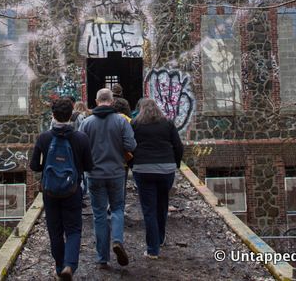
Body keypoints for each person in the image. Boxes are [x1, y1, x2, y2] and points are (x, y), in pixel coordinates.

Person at [30, 99, 94, 281]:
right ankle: (70, 265)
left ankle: (59, 267)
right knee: (73, 229)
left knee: (55, 230)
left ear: (53, 115)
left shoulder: (44, 138)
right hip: (73, 190)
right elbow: (89, 165)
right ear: (71, 114)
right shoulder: (81, 138)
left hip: (50, 191)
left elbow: (34, 166)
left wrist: (49, 169)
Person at [79, 88, 136, 268]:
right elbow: (131, 145)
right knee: (117, 208)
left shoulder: (86, 123)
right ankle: (117, 240)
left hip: (94, 175)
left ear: (96, 102)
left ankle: (102, 258)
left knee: (99, 214)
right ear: (112, 102)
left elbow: (80, 148)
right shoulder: (121, 121)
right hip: (117, 172)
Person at [131, 98, 183, 259]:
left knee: (149, 210)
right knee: (162, 205)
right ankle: (160, 238)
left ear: (141, 109)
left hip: (143, 170)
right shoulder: (167, 124)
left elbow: (129, 145)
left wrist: (132, 164)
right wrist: (176, 164)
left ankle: (153, 249)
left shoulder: (135, 125)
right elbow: (178, 146)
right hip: (166, 170)